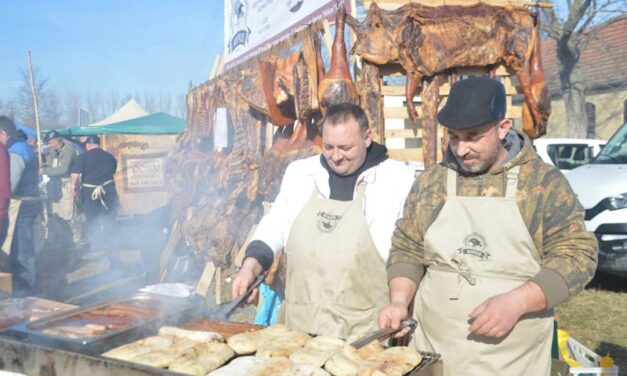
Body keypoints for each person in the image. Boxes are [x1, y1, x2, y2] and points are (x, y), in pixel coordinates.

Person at [378, 77, 598, 375]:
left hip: (510, 358)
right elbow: (407, 247)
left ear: (503, 128)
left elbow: (578, 255)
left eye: (473, 136)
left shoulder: (542, 184)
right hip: (433, 352)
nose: (461, 148)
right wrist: (399, 301)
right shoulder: (432, 182)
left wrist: (518, 302)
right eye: (454, 137)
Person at [231, 103, 416, 338]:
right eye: (329, 147)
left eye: (346, 147)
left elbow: (409, 251)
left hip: (363, 335)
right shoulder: (301, 173)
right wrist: (250, 267)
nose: (336, 157)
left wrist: (401, 302)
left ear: (367, 137)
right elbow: (275, 224)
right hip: (298, 329)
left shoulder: (397, 179)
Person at [0, 116, 42, 297]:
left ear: (3, 133)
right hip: (29, 203)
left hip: (23, 205)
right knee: (22, 250)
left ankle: (27, 292)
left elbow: (10, 183)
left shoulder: (16, 151)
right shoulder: (23, 146)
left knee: (23, 252)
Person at [70, 135, 118, 255]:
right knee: (109, 217)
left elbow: (75, 174)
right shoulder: (110, 157)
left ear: (88, 145)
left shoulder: (82, 157)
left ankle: (96, 243)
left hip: (90, 193)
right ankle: (111, 241)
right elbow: (113, 171)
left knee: (92, 218)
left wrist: (73, 187)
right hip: (109, 191)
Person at [42, 130, 81, 246]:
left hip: (68, 185)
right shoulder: (54, 151)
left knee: (69, 215)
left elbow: (63, 169)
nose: (49, 145)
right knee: (56, 214)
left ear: (57, 140)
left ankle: (76, 241)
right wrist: (47, 155)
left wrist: (44, 171)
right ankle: (62, 239)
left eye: (50, 143)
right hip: (56, 186)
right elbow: (51, 164)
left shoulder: (68, 149)